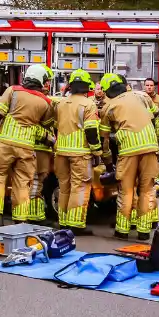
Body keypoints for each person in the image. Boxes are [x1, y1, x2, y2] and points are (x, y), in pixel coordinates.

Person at [0, 64, 55, 234]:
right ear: (41, 80)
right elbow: (46, 125)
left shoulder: (13, 91)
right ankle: (20, 223)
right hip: (27, 148)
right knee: (22, 184)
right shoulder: (46, 102)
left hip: (5, 144)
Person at [108, 75, 159, 241]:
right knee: (147, 189)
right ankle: (144, 231)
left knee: (126, 190)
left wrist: (107, 160)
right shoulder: (142, 96)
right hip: (150, 146)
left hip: (128, 150)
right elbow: (155, 112)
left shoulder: (109, 106)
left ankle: (122, 230)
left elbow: (103, 137)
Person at [52, 69, 102, 236]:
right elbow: (91, 132)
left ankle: (63, 222)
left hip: (61, 152)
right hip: (80, 152)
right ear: (87, 86)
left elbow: (54, 125)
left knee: (64, 186)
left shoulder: (60, 103)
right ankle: (76, 225)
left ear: (70, 86)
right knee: (80, 187)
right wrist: (97, 152)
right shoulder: (89, 104)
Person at [28, 65, 56, 226]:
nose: (48, 85)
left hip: (42, 147)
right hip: (38, 146)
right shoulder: (42, 101)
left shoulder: (44, 100)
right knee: (36, 182)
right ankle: (34, 217)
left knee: (38, 182)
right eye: (46, 81)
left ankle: (37, 216)